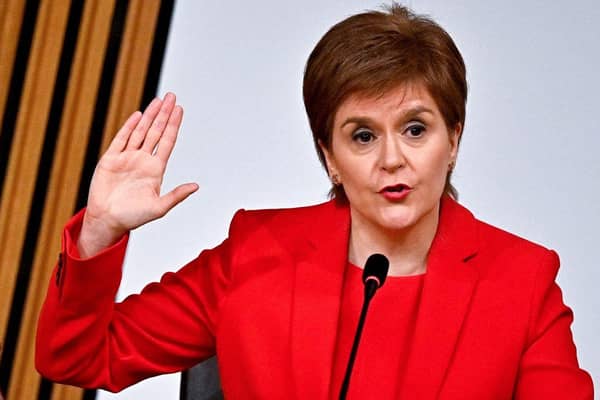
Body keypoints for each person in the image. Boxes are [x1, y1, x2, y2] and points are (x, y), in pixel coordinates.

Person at [36, 4, 593, 399]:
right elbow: (80, 357)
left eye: (416, 129)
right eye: (362, 136)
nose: (392, 159)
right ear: (329, 155)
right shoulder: (257, 253)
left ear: (454, 138)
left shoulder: (522, 281)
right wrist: (100, 233)